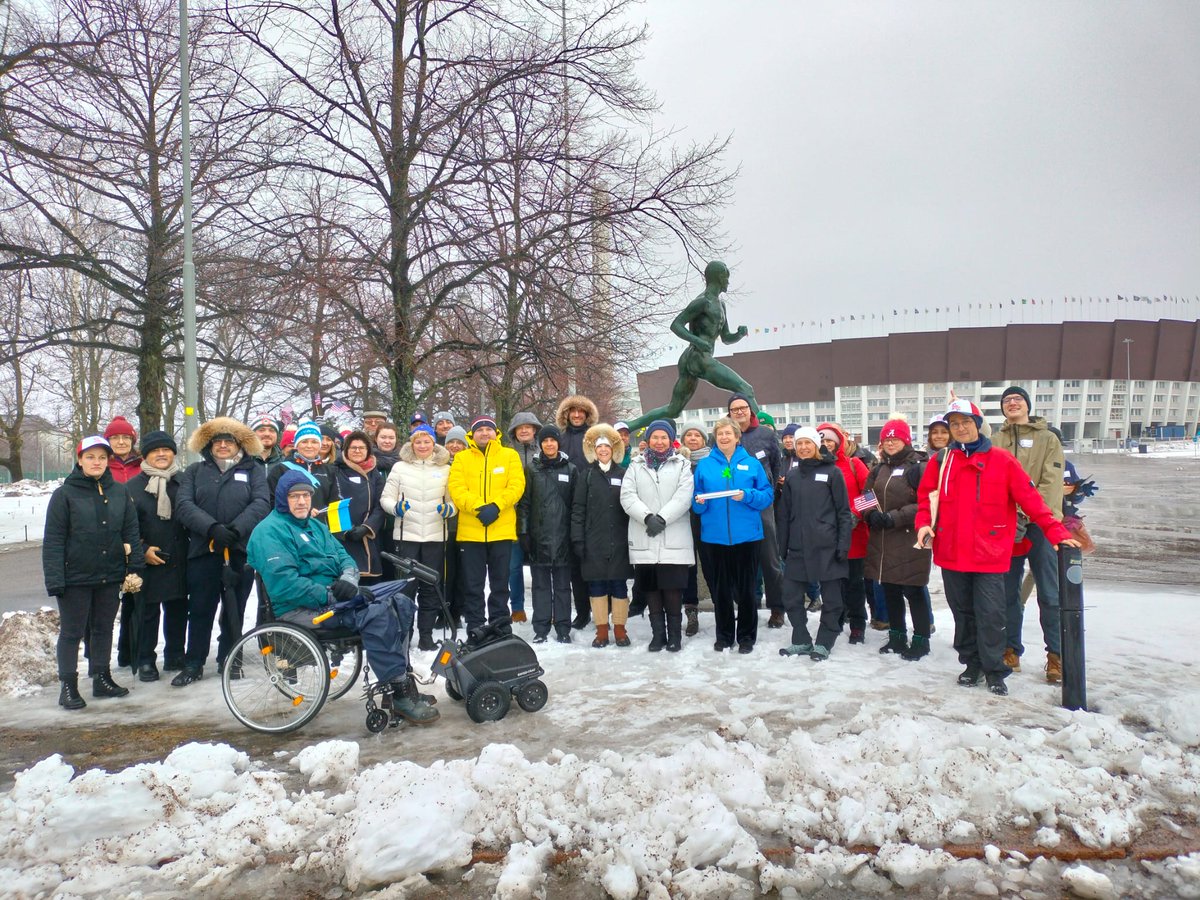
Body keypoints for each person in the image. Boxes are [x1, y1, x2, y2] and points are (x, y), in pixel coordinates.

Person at [247, 470, 438, 724]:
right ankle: (398, 693)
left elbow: (344, 557)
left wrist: (348, 580)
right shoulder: (269, 532)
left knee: (400, 602)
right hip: (300, 610)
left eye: (306, 495)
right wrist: (329, 593)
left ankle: (402, 684)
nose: (302, 501)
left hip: (333, 601)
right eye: (294, 496)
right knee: (377, 614)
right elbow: (285, 585)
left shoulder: (315, 525)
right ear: (283, 498)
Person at [915, 399, 1078, 697]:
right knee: (963, 614)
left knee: (991, 613)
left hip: (989, 553)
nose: (960, 428)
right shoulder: (941, 462)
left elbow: (1032, 500)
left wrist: (1055, 531)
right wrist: (923, 524)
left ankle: (994, 669)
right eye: (954, 424)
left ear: (977, 425)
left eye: (965, 422)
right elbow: (927, 498)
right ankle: (972, 664)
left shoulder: (1002, 461)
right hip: (951, 552)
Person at [42, 436, 144, 709]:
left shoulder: (120, 492)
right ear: (79, 460)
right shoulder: (64, 495)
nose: (96, 462)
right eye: (90, 457)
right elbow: (53, 541)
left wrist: (134, 567)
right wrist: (55, 580)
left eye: (101, 457)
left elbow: (131, 531)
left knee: (102, 629)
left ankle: (101, 678)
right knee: (72, 632)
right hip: (75, 577)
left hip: (109, 574)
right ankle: (68, 686)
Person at [173, 417, 271, 686]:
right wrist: (213, 528)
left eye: (229, 441)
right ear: (209, 445)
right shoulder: (194, 472)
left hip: (240, 552)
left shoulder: (254, 471)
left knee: (234, 609)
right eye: (218, 442)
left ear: (239, 444)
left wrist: (236, 530)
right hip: (205, 550)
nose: (223, 446)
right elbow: (184, 505)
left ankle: (230, 658)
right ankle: (194, 662)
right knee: (201, 608)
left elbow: (262, 503)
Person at [992, 385, 1068, 683]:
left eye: (1017, 399)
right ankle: (1011, 649)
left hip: (1040, 523)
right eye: (1007, 400)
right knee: (1008, 591)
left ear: (1027, 405)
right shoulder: (995, 440)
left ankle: (1056, 655)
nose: (1012, 403)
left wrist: (1031, 514)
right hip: (1005, 526)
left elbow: (1051, 482)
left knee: (1049, 592)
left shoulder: (1047, 438)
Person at [625, 261, 757, 430]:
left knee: (673, 410)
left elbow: (725, 337)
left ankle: (627, 426)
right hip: (699, 358)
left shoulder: (721, 305)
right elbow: (676, 325)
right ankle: (761, 432)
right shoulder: (703, 302)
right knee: (746, 389)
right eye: (726, 277)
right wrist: (697, 341)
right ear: (718, 277)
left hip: (693, 359)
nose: (728, 282)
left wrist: (738, 334)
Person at [692, 416, 775, 654]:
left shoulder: (751, 464)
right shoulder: (706, 466)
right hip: (715, 538)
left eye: (728, 433)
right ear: (715, 438)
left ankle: (747, 636)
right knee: (721, 590)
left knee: (747, 589)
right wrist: (699, 503)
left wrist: (747, 496)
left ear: (737, 437)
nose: (724, 437)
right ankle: (725, 635)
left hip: (747, 537)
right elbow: (696, 501)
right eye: (720, 434)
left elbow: (767, 495)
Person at [776, 427, 854, 661]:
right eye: (799, 444)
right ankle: (800, 639)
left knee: (832, 599)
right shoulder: (792, 475)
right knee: (790, 596)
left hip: (827, 546)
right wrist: (782, 546)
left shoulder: (832, 472)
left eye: (807, 443)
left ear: (816, 445)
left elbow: (843, 512)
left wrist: (843, 544)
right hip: (798, 547)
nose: (802, 448)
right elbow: (784, 513)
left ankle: (824, 641)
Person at [620, 420, 694, 652]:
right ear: (648, 440)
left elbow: (684, 496)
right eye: (655, 437)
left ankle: (674, 636)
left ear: (670, 439)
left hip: (674, 535)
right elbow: (627, 496)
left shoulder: (682, 464)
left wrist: (661, 518)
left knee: (672, 589)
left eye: (664, 437)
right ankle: (658, 635)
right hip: (645, 534)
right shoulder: (636, 465)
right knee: (651, 588)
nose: (659, 442)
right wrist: (647, 517)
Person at [863, 419, 934, 661]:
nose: (891, 442)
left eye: (896, 438)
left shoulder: (919, 466)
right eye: (886, 439)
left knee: (914, 590)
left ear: (906, 440)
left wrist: (895, 517)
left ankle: (921, 639)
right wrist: (869, 514)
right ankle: (897, 635)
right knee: (890, 589)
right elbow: (864, 496)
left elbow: (927, 502)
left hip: (910, 538)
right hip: (882, 540)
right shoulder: (879, 468)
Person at [447, 416, 526, 632]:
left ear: (496, 432)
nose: (484, 433)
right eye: (479, 429)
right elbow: (457, 489)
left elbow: (517, 485)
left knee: (500, 584)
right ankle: (476, 625)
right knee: (473, 585)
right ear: (472, 435)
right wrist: (480, 508)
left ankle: (500, 623)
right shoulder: (462, 458)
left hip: (501, 530)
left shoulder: (509, 456)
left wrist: (496, 506)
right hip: (471, 533)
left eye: (488, 429)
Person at [381, 424, 454, 650]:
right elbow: (386, 499)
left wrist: (449, 510)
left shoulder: (446, 469)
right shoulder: (400, 468)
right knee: (406, 588)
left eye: (427, 441)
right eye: (418, 442)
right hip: (407, 537)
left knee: (431, 587)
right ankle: (404, 634)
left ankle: (425, 636)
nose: (422, 446)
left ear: (434, 444)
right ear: (412, 444)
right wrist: (396, 508)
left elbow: (454, 502)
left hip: (435, 536)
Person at [125, 430, 190, 681]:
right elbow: (123, 528)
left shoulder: (185, 482)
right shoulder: (131, 487)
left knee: (177, 609)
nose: (161, 454)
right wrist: (142, 552)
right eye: (155, 451)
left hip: (179, 557)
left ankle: (175, 654)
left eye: (166, 450)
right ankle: (145, 660)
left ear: (173, 453)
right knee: (148, 613)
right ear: (145, 455)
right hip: (148, 560)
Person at [571, 424, 633, 648]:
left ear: (613, 449)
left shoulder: (624, 474)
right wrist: (577, 539)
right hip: (593, 541)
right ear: (594, 451)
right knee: (596, 586)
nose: (603, 450)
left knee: (618, 586)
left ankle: (620, 630)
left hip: (619, 539)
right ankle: (601, 631)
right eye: (600, 447)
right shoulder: (586, 475)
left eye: (607, 446)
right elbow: (577, 509)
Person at [727, 392, 786, 628]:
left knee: (770, 559)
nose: (739, 412)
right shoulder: (725, 435)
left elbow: (775, 465)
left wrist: (767, 495)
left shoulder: (765, 435)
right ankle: (746, 606)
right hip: (734, 507)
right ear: (729, 413)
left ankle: (777, 608)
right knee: (740, 561)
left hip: (762, 506)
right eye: (734, 409)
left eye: (743, 407)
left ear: (751, 410)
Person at [518, 424, 578, 643]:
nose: (549, 444)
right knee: (540, 586)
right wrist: (523, 532)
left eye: (552, 440)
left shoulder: (570, 469)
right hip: (538, 538)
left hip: (563, 538)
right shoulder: (532, 470)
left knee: (563, 586)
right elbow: (524, 504)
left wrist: (574, 536)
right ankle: (541, 628)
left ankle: (563, 627)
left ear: (558, 443)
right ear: (540, 444)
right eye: (545, 441)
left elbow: (576, 505)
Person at [817, 422, 870, 642]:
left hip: (853, 535)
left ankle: (857, 623)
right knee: (829, 584)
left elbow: (870, 495)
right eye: (821, 440)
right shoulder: (813, 467)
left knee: (854, 583)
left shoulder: (853, 464)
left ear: (838, 442)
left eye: (830, 440)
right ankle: (834, 620)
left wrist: (855, 514)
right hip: (825, 536)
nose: (825, 444)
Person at [555, 395, 599, 629]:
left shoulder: (595, 437)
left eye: (582, 411)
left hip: (595, 505)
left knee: (596, 561)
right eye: (573, 411)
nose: (577, 415)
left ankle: (602, 609)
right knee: (575, 564)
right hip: (568, 507)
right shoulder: (560, 440)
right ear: (566, 414)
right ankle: (582, 611)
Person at [332, 431, 387, 582]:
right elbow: (332, 501)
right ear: (346, 450)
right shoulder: (335, 470)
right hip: (342, 538)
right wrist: (344, 529)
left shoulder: (374, 474)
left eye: (361, 448)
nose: (357, 451)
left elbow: (381, 505)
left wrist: (367, 527)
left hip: (368, 538)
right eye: (353, 447)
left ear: (368, 450)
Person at [506, 411, 544, 623]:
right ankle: (517, 608)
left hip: (539, 518)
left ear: (535, 429)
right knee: (513, 567)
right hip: (513, 517)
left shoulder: (544, 451)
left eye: (528, 426)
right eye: (520, 427)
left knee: (540, 567)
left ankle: (542, 607)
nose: (524, 430)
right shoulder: (508, 454)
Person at [679, 421, 715, 637]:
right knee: (687, 568)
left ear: (704, 439)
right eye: (688, 435)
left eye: (697, 435)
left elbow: (726, 483)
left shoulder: (714, 462)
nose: (693, 438)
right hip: (683, 522)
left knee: (712, 566)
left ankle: (722, 605)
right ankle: (691, 611)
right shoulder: (677, 462)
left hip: (709, 521)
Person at [268, 420, 337, 508]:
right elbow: (272, 499)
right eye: (304, 442)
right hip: (289, 521)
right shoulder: (281, 469)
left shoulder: (329, 471)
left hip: (320, 521)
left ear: (319, 445)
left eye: (314, 442)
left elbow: (334, 501)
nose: (309, 446)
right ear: (297, 445)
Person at [104, 416, 142, 483]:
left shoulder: (144, 466)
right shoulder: (101, 466)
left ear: (132, 441)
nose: (121, 442)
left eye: (126, 437)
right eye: (115, 438)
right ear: (108, 441)